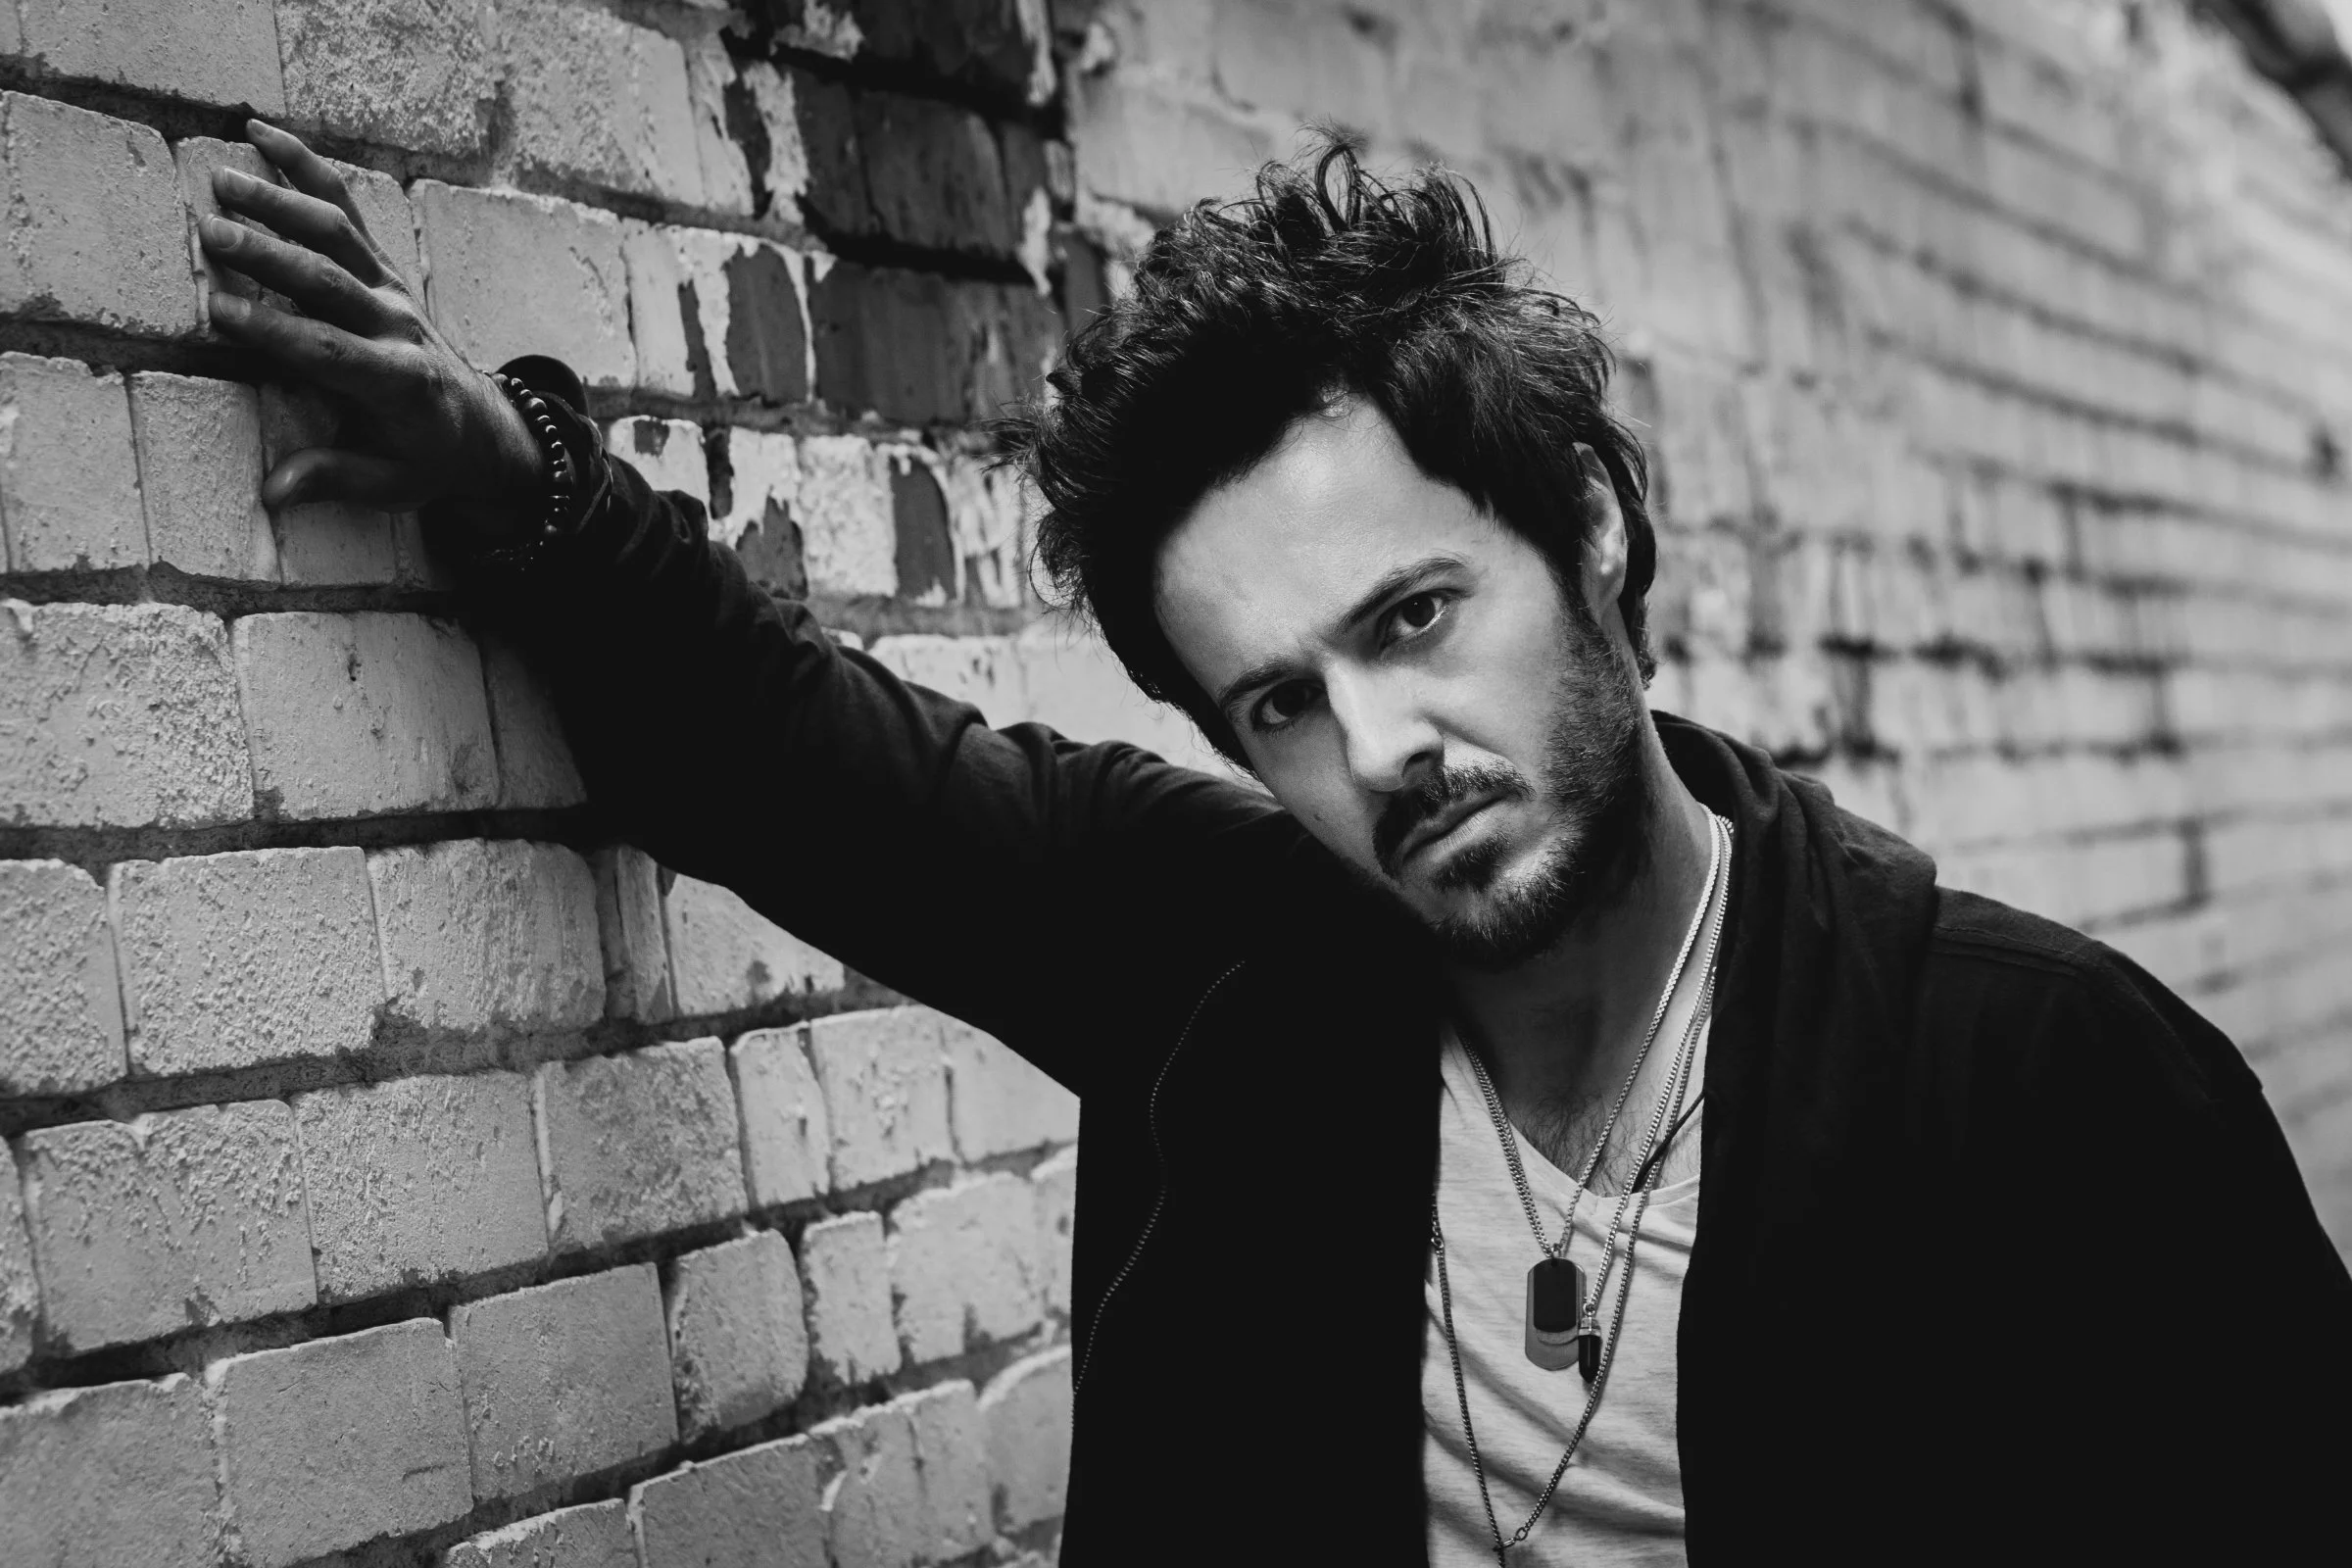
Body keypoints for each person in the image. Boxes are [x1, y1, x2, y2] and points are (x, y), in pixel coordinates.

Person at [195, 121, 2350, 1564]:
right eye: (1280, 701)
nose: (1382, 747)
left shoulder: (2049, 1083)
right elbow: (794, 753)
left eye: (1416, 615)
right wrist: (518, 480)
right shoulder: (1242, 961)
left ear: (1589, 534)